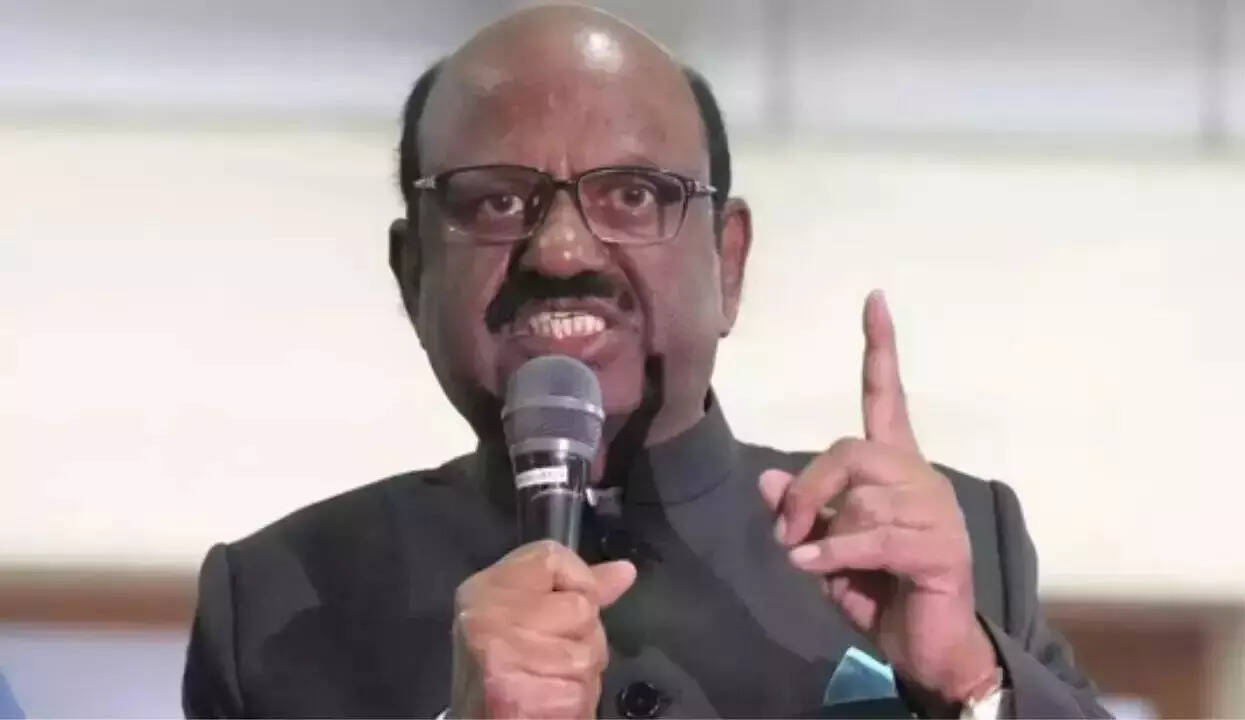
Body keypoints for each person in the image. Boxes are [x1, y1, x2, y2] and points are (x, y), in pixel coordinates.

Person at [183, 5, 1109, 718]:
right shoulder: (276, 605)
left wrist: (968, 680)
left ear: (728, 263)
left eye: (632, 194)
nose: (561, 252)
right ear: (412, 270)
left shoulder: (940, 556)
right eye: (496, 201)